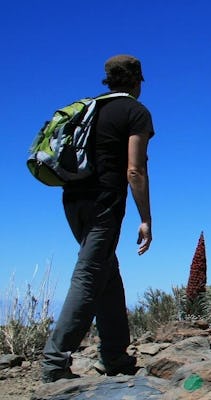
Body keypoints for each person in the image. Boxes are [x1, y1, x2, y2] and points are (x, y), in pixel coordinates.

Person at [41, 55, 154, 383]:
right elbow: (135, 169)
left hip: (73, 199)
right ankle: (54, 362)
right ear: (137, 80)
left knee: (106, 270)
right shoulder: (135, 112)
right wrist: (145, 218)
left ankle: (115, 353)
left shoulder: (89, 107)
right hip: (104, 202)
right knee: (90, 274)